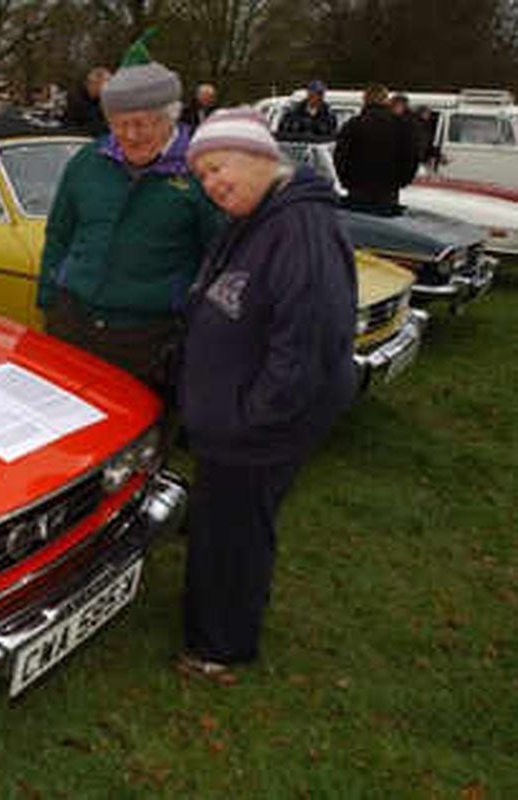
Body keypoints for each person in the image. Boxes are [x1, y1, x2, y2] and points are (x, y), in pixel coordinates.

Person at [177, 107, 357, 680]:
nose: (212, 184)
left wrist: (247, 421)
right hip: (229, 424)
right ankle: (215, 619)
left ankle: (219, 649)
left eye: (218, 166)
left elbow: (306, 347)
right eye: (202, 174)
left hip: (254, 433)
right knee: (222, 527)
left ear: (260, 156)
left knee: (234, 537)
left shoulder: (301, 229)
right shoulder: (257, 216)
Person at [38, 36, 224, 396]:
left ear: (171, 117)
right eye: (119, 124)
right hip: (71, 321)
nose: (130, 135)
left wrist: (194, 321)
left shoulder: (202, 171)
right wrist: (49, 296)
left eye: (143, 123)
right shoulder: (87, 162)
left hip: (149, 335)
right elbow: (59, 231)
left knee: (138, 437)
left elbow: (219, 257)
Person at [334, 83, 418, 209]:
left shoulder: (353, 124)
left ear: (365, 100)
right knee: (382, 227)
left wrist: (346, 181)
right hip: (388, 190)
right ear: (386, 100)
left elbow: (340, 156)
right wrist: (402, 181)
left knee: (359, 225)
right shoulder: (402, 125)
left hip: (358, 189)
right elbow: (412, 155)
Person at [61, 66, 111, 136]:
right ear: (94, 84)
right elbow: (96, 127)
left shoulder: (97, 100)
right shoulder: (78, 100)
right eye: (106, 85)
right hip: (74, 139)